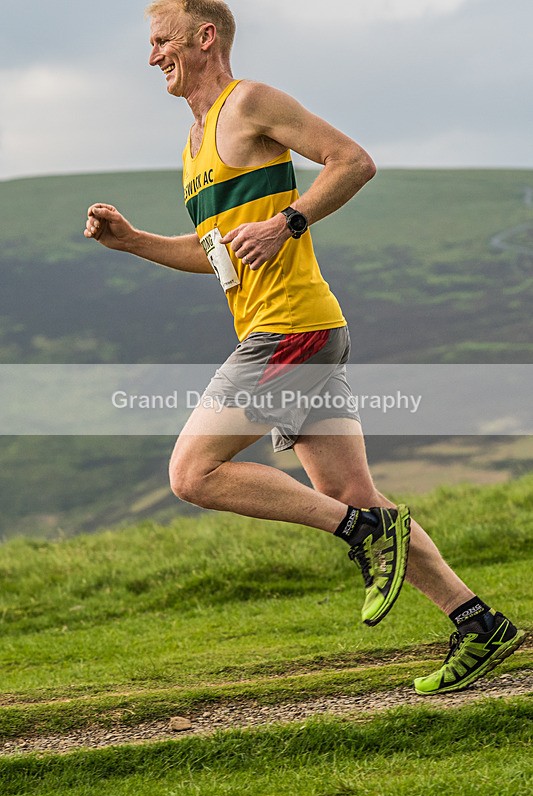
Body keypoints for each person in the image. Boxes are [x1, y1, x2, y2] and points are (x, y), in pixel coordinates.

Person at [84, 0, 524, 694]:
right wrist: (133, 241)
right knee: (351, 491)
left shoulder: (249, 102)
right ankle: (477, 622)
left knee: (193, 475)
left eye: (161, 41)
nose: (151, 57)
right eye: (149, 45)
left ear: (204, 36)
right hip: (292, 330)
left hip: (292, 330)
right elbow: (222, 257)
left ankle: (359, 534)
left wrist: (288, 220)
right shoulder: (194, 147)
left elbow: (353, 161)